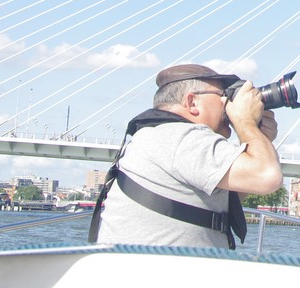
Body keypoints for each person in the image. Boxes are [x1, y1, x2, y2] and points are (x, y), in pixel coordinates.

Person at [90, 63, 282, 249]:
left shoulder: (158, 135)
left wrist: (260, 140)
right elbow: (267, 177)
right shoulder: (182, 137)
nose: (228, 103)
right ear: (191, 102)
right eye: (223, 95)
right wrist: (245, 122)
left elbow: (230, 197)